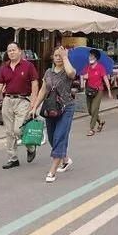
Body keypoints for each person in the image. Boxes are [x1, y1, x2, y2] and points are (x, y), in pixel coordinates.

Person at [0, 42, 40, 170]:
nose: (11, 52)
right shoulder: (4, 67)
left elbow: (35, 84)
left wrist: (33, 103)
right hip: (8, 100)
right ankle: (13, 158)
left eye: (13, 50)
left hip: (23, 100)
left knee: (18, 130)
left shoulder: (28, 66)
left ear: (20, 51)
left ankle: (31, 147)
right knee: (9, 131)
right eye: (9, 50)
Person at [30, 47, 77, 183]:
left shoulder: (68, 70)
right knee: (51, 138)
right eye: (56, 55)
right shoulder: (48, 72)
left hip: (66, 108)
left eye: (60, 55)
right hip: (50, 108)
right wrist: (35, 107)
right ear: (52, 57)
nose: (58, 57)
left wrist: (65, 56)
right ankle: (66, 159)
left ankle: (52, 171)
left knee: (59, 136)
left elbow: (71, 73)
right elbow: (43, 90)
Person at [81, 48, 111, 136]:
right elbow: (83, 76)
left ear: (96, 58)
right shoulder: (87, 67)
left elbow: (105, 79)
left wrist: (109, 91)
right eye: (89, 56)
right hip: (89, 90)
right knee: (90, 111)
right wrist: (83, 81)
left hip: (98, 90)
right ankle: (100, 121)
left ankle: (91, 129)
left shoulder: (100, 67)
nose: (90, 57)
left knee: (94, 109)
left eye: (92, 56)